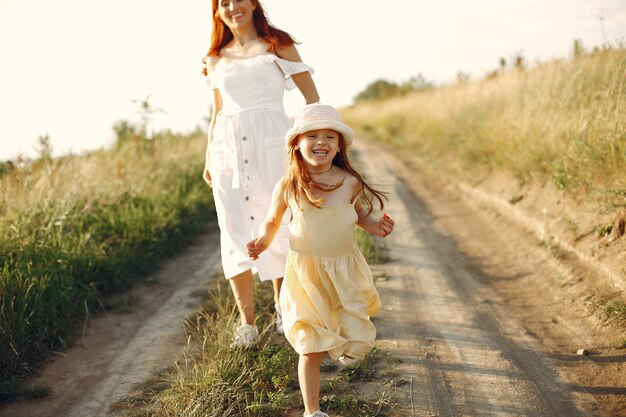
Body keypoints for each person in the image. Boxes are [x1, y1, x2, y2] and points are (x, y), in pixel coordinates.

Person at [246, 103, 395, 417]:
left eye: (330, 136)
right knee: (309, 345)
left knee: (356, 345)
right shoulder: (289, 186)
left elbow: (359, 215)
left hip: (343, 272)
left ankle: (336, 342)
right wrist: (263, 240)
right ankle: (312, 411)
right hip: (306, 275)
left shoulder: (349, 182)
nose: (321, 141)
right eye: (312, 135)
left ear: (339, 145)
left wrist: (376, 226)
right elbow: (272, 221)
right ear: (297, 143)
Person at [202, 0, 320, 347]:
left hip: (271, 143)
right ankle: (248, 324)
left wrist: (309, 144)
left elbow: (311, 98)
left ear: (253, 3)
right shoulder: (215, 57)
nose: (232, 6)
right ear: (217, 10)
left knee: (279, 223)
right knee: (234, 228)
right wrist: (210, 156)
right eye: (223, 2)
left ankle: (285, 311)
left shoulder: (276, 42)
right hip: (227, 153)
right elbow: (217, 112)